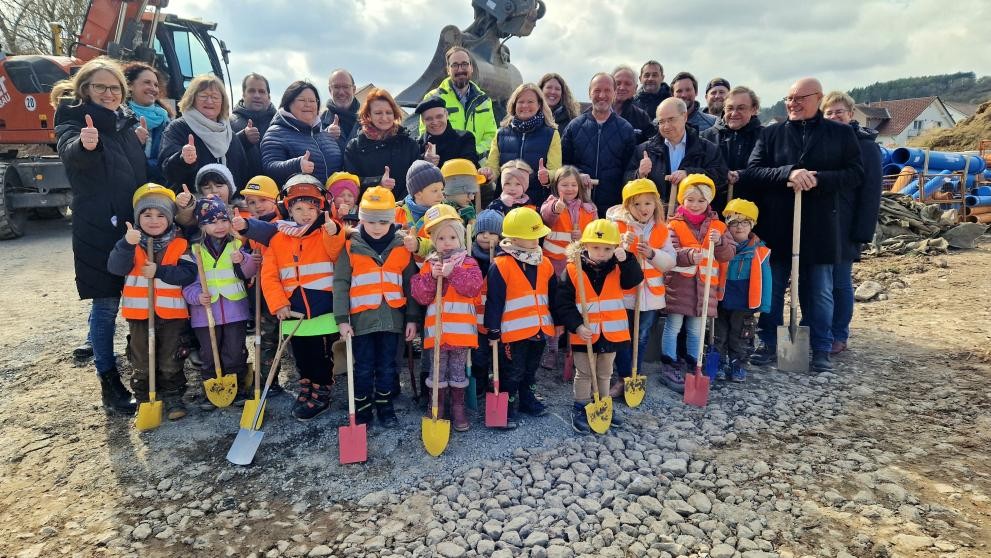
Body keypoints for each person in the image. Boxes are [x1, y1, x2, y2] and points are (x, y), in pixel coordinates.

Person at [747, 77, 864, 372]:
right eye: (789, 99)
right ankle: (769, 343)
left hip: (821, 227)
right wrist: (789, 173)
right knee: (771, 289)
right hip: (778, 226)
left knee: (820, 291)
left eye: (800, 98)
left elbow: (855, 174)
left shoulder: (840, 134)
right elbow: (754, 170)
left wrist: (818, 179)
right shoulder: (771, 134)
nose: (793, 104)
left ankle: (821, 346)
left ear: (818, 99)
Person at [53, 56, 148, 414]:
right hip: (97, 227)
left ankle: (144, 366)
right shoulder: (74, 118)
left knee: (139, 299)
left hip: (132, 225)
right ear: (85, 90)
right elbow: (70, 152)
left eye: (114, 88)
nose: (108, 93)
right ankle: (109, 380)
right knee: (106, 304)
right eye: (100, 87)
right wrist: (86, 144)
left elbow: (139, 175)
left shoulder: (125, 125)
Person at [260, 175, 347, 420]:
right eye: (298, 208)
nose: (306, 213)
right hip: (292, 311)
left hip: (322, 310)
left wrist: (333, 231)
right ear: (288, 210)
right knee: (301, 355)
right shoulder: (277, 239)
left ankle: (321, 390)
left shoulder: (325, 233)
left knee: (320, 356)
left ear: (322, 208)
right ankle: (306, 385)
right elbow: (269, 276)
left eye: (311, 208)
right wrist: (278, 303)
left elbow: (337, 249)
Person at [107, 184, 196, 422]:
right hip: (140, 314)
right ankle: (145, 399)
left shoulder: (180, 243)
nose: (154, 220)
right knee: (141, 358)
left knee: (171, 357)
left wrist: (160, 271)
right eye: (147, 215)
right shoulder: (131, 243)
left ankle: (173, 397)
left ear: (169, 218)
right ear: (138, 218)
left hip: (172, 315)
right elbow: (115, 267)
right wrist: (126, 244)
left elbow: (189, 274)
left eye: (160, 215)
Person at [334, 186, 422, 427]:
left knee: (387, 365)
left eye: (383, 221)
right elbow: (341, 282)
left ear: (392, 221)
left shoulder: (402, 246)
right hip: (361, 321)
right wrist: (342, 319)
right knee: (363, 366)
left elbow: (410, 284)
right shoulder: (351, 246)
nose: (376, 227)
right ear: (361, 218)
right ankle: (362, 407)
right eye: (370, 221)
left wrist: (412, 318)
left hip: (393, 319)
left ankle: (385, 405)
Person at [554, 219, 642, 433]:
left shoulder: (619, 266)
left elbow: (634, 280)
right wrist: (576, 326)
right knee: (584, 372)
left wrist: (627, 259)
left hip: (612, 333)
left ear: (614, 248)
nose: (601, 253)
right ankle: (580, 405)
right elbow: (562, 304)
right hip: (584, 334)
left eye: (607, 248)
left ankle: (603, 404)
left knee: (605, 372)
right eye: (595, 247)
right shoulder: (572, 269)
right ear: (585, 246)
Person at [483, 207, 558, 429]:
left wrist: (559, 322)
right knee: (512, 371)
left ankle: (527, 399)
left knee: (531, 368)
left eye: (537, 235)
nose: (536, 240)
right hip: (512, 334)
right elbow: (494, 301)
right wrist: (493, 330)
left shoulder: (544, 262)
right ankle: (506, 406)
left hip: (539, 329)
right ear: (514, 238)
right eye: (530, 237)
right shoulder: (501, 265)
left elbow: (553, 296)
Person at [659, 175, 735, 392]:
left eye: (701, 201)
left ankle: (694, 364)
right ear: (682, 199)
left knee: (696, 328)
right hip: (679, 287)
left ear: (708, 202)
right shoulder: (673, 224)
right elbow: (670, 252)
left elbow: (728, 254)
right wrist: (691, 255)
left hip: (705, 288)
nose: (695, 205)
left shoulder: (718, 227)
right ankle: (669, 363)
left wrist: (719, 243)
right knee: (673, 325)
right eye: (690, 199)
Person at [411, 205, 483, 432]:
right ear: (433, 240)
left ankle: (458, 407)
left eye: (452, 236)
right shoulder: (429, 264)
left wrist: (454, 272)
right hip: (437, 332)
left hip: (461, 332)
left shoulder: (469, 263)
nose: (447, 242)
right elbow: (421, 296)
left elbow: (474, 288)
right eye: (441, 238)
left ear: (460, 238)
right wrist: (432, 277)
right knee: (437, 370)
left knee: (458, 370)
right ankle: (438, 406)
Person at [820, 91, 882, 355]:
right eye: (829, 112)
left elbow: (871, 192)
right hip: (820, 223)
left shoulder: (865, 145)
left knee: (840, 282)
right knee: (818, 283)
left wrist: (862, 231)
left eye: (839, 111)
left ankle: (838, 333)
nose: (834, 116)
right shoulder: (820, 141)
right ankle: (818, 327)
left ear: (851, 113)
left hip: (847, 225)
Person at [183, 197, 257, 411]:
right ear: (202, 225)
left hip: (235, 311)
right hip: (204, 314)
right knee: (208, 352)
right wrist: (197, 296)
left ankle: (238, 387)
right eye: (212, 221)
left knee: (235, 351)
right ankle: (211, 390)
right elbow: (187, 285)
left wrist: (243, 260)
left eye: (223, 220)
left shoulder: (237, 244)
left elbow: (250, 272)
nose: (220, 225)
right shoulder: (194, 251)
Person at [605, 179, 676, 398]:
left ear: (656, 203)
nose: (643, 209)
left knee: (643, 335)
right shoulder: (616, 227)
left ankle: (636, 375)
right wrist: (624, 248)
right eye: (637, 204)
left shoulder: (663, 229)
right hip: (625, 292)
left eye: (647, 203)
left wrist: (652, 253)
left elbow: (670, 262)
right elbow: (605, 256)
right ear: (627, 206)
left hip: (651, 295)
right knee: (623, 335)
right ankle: (624, 377)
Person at [626, 97, 728, 214]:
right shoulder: (644, 150)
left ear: (684, 117)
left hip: (693, 221)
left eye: (671, 119)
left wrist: (689, 174)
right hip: (655, 220)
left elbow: (721, 176)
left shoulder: (707, 148)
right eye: (661, 121)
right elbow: (626, 181)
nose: (666, 126)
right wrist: (639, 173)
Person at [234, 175, 287, 393]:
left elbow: (268, 233)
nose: (256, 206)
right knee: (265, 337)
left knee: (280, 336)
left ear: (275, 201)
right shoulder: (250, 229)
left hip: (281, 289)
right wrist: (247, 260)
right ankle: (267, 381)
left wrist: (247, 226)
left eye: (262, 201)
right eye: (252, 203)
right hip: (261, 292)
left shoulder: (281, 222)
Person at [159, 74, 250, 191]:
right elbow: (166, 171)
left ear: (223, 102)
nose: (209, 101)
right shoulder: (178, 128)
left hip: (227, 207)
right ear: (192, 99)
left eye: (215, 97)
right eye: (203, 96)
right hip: (189, 205)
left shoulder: (231, 135)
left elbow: (242, 174)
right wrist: (183, 160)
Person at [562, 73, 636, 216]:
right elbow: (563, 163)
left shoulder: (626, 129)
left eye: (607, 90)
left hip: (612, 207)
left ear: (614, 93)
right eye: (597, 90)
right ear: (589, 93)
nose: (602, 95)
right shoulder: (574, 126)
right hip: (577, 204)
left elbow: (629, 169)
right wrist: (577, 175)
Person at [714, 199, 770, 382]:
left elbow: (766, 279)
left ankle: (738, 364)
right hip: (722, 297)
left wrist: (765, 304)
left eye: (745, 223)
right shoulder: (721, 248)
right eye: (734, 223)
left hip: (745, 300)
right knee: (718, 333)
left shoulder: (760, 251)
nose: (739, 227)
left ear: (752, 225)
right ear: (727, 226)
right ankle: (719, 363)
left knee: (740, 334)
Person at [486, 83, 561, 209]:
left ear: (539, 105)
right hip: (504, 204)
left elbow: (556, 170)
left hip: (536, 204)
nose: (525, 106)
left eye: (530, 101)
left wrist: (548, 176)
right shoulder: (501, 133)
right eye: (521, 102)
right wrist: (488, 173)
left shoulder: (551, 134)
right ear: (514, 105)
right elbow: (493, 168)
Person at [419, 46, 498, 158]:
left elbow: (491, 136)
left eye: (464, 64)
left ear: (471, 67)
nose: (460, 69)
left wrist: (470, 151)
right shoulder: (433, 98)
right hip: (444, 166)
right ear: (448, 69)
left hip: (476, 165)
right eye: (455, 65)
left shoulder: (484, 100)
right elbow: (426, 135)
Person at [261, 81, 344, 186]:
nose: (308, 104)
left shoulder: (325, 135)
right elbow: (270, 168)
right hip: (297, 200)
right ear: (288, 103)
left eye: (312, 101)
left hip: (333, 200)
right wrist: (297, 165)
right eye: (302, 100)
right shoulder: (275, 133)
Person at [344, 88, 421, 199]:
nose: (384, 117)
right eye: (378, 113)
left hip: (404, 211)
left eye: (388, 112)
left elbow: (416, 180)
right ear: (368, 115)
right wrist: (377, 182)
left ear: (394, 114)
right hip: (369, 210)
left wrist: (401, 205)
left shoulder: (410, 145)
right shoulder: (354, 147)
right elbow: (350, 182)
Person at [700, 86, 764, 207]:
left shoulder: (766, 137)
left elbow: (768, 171)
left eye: (741, 108)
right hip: (713, 210)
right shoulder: (705, 137)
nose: (734, 113)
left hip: (753, 211)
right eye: (730, 108)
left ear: (754, 109)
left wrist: (742, 175)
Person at [470, 209, 503, 399]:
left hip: (498, 318)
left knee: (499, 355)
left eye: (491, 233)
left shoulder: (503, 258)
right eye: (482, 232)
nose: (486, 236)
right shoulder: (469, 256)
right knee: (479, 356)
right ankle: (479, 385)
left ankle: (497, 382)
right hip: (476, 318)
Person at [541, 166, 597, 277]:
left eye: (573, 185)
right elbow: (546, 217)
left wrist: (583, 235)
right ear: (556, 186)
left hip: (581, 263)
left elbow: (596, 233)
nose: (569, 188)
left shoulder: (589, 209)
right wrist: (555, 209)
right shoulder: (552, 203)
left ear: (579, 187)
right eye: (564, 185)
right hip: (554, 263)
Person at [123, 62, 172, 183]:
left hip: (159, 187)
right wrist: (134, 143)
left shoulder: (166, 119)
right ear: (130, 86)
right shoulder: (120, 117)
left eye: (156, 85)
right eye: (147, 82)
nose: (153, 88)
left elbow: (169, 160)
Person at [416, 95, 480, 170]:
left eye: (439, 116)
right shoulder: (417, 145)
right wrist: (424, 162)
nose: (435, 122)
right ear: (423, 121)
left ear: (446, 115)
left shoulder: (465, 138)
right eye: (429, 119)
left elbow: (470, 167)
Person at [231, 73, 276, 177]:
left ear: (268, 96)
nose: (257, 95)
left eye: (261, 91)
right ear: (243, 95)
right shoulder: (228, 124)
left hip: (276, 191)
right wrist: (242, 139)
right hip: (241, 191)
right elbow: (223, 157)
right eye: (251, 91)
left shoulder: (281, 124)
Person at [320, 69, 361, 152]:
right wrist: (325, 136)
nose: (341, 92)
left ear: (354, 89)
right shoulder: (318, 121)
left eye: (346, 87)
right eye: (336, 87)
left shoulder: (368, 120)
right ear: (329, 90)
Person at [613, 65, 656, 144]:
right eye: (618, 83)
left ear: (635, 88)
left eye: (627, 84)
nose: (622, 87)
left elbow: (653, 145)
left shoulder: (642, 117)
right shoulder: (595, 113)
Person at [441, 158, 485, 224]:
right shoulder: (440, 212)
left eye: (473, 193)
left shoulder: (469, 208)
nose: (472, 197)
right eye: (468, 193)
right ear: (452, 189)